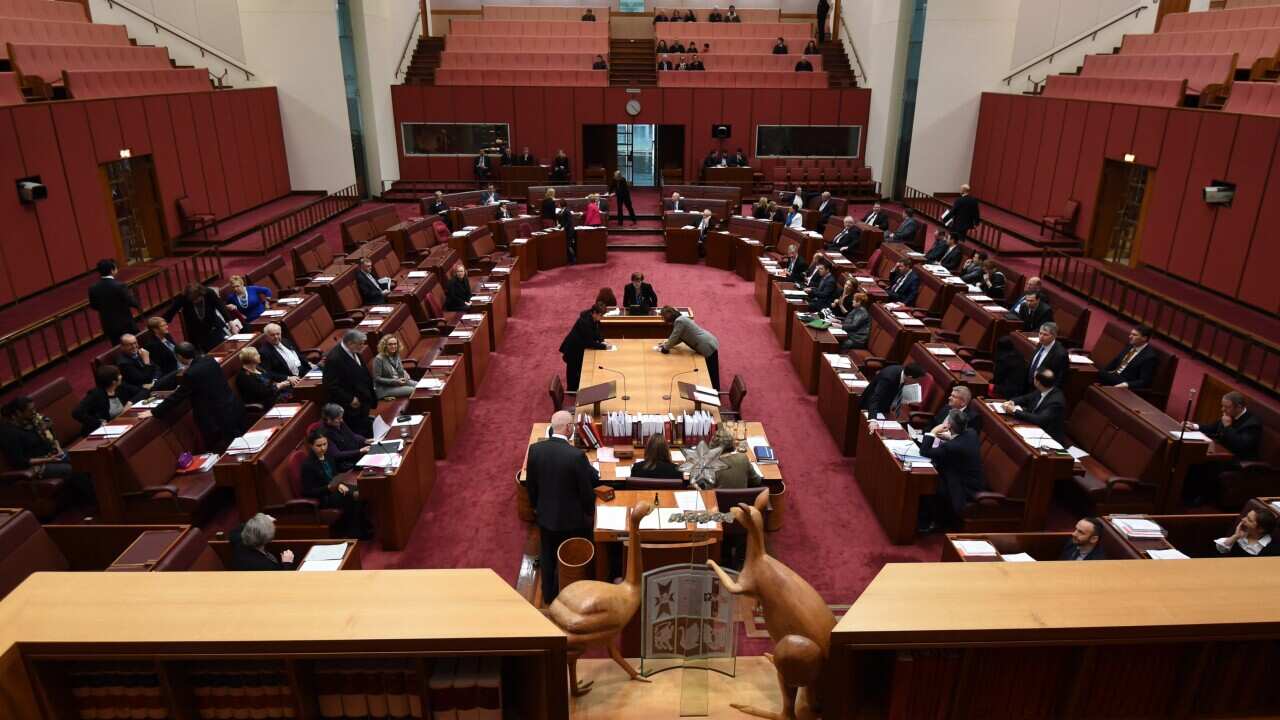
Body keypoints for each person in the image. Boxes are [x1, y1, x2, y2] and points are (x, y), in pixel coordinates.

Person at [526, 410, 602, 603]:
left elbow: (531, 484)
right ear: (569, 428)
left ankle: (549, 595)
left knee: (548, 553)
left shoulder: (535, 450)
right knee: (574, 552)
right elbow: (585, 490)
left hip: (545, 515)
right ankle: (574, 592)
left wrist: (536, 507)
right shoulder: (576, 456)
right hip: (572, 519)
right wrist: (589, 512)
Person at [1, 396, 93, 506]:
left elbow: (50, 438)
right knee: (72, 468)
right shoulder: (9, 433)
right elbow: (19, 461)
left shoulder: (33, 420)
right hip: (38, 467)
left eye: (34, 409)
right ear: (18, 413)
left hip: (51, 455)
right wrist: (49, 459)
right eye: (30, 410)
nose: (34, 412)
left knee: (82, 458)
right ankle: (95, 499)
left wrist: (56, 446)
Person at [156, 343, 247, 450]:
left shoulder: (191, 373)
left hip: (214, 417)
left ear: (179, 356)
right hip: (230, 405)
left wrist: (155, 411)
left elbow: (178, 397)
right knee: (238, 440)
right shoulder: (209, 360)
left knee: (229, 446)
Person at [300, 429, 373, 540]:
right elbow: (307, 491)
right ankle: (355, 532)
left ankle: (363, 525)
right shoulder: (308, 465)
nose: (323, 448)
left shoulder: (328, 455)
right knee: (352, 496)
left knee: (362, 490)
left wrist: (355, 467)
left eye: (325, 444)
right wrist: (329, 488)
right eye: (319, 446)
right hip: (324, 496)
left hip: (337, 486)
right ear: (311, 446)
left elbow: (337, 472)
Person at [918, 410, 984, 533]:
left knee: (928, 483)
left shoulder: (952, 447)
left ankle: (932, 522)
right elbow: (960, 440)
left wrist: (933, 432)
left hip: (965, 487)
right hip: (968, 476)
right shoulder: (972, 433)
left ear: (948, 426)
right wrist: (950, 437)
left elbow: (924, 451)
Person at [323, 330, 377, 438]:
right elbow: (331, 385)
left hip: (363, 400)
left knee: (366, 428)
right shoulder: (334, 359)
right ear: (350, 343)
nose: (363, 346)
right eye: (360, 344)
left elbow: (363, 372)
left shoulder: (355, 351)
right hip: (350, 406)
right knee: (359, 433)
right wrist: (350, 399)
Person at [659, 306, 721, 390]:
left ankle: (715, 394)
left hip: (706, 345)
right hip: (708, 341)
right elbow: (679, 338)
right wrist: (667, 345)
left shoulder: (679, 321)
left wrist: (665, 348)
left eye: (663, 316)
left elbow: (675, 336)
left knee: (711, 373)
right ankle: (716, 391)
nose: (663, 319)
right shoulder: (681, 319)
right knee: (713, 371)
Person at [163, 283, 236, 353]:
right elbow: (171, 312)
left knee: (225, 347)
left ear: (202, 294)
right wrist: (159, 322)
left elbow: (220, 307)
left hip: (213, 326)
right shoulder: (184, 297)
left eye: (197, 299)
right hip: (196, 331)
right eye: (192, 300)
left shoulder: (209, 293)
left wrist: (231, 323)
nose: (195, 301)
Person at [73, 364, 144, 434]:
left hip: (121, 424)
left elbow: (142, 391)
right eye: (119, 375)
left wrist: (130, 402)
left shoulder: (120, 387)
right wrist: (98, 423)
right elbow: (77, 413)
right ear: (113, 382)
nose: (121, 376)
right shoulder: (96, 394)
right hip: (101, 431)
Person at [1004, 369, 1067, 445]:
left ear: (1038, 382)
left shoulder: (1056, 402)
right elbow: (1026, 398)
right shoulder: (1044, 389)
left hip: (1046, 437)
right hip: (1032, 427)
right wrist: (1012, 401)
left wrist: (1014, 411)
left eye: (1034, 378)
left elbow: (1039, 419)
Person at [88, 259, 140, 344]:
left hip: (109, 324)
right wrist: (137, 305)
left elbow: (94, 305)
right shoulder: (120, 285)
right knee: (135, 343)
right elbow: (130, 301)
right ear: (112, 270)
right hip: (125, 323)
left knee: (117, 346)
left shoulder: (93, 288)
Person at [559, 302, 609, 391]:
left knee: (577, 368)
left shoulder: (592, 317)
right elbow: (589, 342)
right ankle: (572, 390)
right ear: (594, 313)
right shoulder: (585, 322)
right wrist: (604, 347)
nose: (601, 318)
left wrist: (602, 340)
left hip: (580, 345)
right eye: (600, 316)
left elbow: (597, 330)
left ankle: (577, 386)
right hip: (573, 348)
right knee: (573, 369)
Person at [1099, 325, 1158, 391]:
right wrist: (1105, 371)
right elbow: (1116, 360)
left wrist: (1126, 384)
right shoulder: (1131, 346)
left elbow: (1144, 381)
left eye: (1134, 335)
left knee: (1098, 374)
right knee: (1098, 373)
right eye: (1130, 334)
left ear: (1144, 338)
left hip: (1125, 382)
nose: (1130, 337)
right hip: (1114, 375)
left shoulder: (1149, 357)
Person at [228, 513, 295, 570]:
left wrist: (259, 522)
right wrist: (287, 563)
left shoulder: (239, 541)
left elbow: (236, 530)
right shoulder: (267, 566)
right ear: (267, 539)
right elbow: (281, 581)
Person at [319, 403, 373, 472]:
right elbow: (337, 455)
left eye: (341, 418)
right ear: (329, 419)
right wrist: (359, 451)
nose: (341, 420)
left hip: (356, 456)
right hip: (346, 464)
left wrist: (365, 440)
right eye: (338, 419)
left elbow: (352, 435)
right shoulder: (324, 434)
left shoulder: (339, 422)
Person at [235, 346, 288, 410]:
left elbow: (270, 376)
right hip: (265, 402)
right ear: (250, 358)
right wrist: (278, 386)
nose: (259, 356)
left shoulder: (257, 368)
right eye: (257, 354)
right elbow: (261, 393)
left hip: (275, 394)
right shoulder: (244, 377)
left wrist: (286, 379)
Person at [1214, 509, 1279, 557]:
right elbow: (1220, 550)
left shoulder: (1271, 548)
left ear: (1260, 529)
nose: (1243, 519)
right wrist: (1235, 536)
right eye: (1246, 516)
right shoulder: (1241, 532)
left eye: (1249, 520)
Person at [369, 335, 414, 400]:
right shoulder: (378, 359)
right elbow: (377, 378)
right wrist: (395, 381)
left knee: (419, 385)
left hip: (398, 382)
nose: (393, 346)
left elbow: (399, 369)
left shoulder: (396, 354)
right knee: (413, 390)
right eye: (390, 344)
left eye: (395, 344)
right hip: (385, 388)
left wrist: (405, 374)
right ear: (385, 346)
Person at [1026, 322, 1068, 389]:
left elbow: (1059, 379)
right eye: (1040, 333)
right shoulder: (1040, 344)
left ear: (1054, 336)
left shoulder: (1060, 354)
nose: (1041, 337)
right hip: (1030, 384)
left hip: (1043, 389)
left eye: (1045, 334)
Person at [557, 199, 578, 263]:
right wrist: (560, 226)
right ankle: (569, 259)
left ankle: (573, 260)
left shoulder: (567, 211)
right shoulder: (562, 211)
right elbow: (563, 221)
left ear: (561, 204)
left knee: (568, 245)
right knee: (567, 245)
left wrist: (564, 227)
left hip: (569, 230)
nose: (558, 205)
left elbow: (569, 222)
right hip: (566, 229)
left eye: (559, 204)